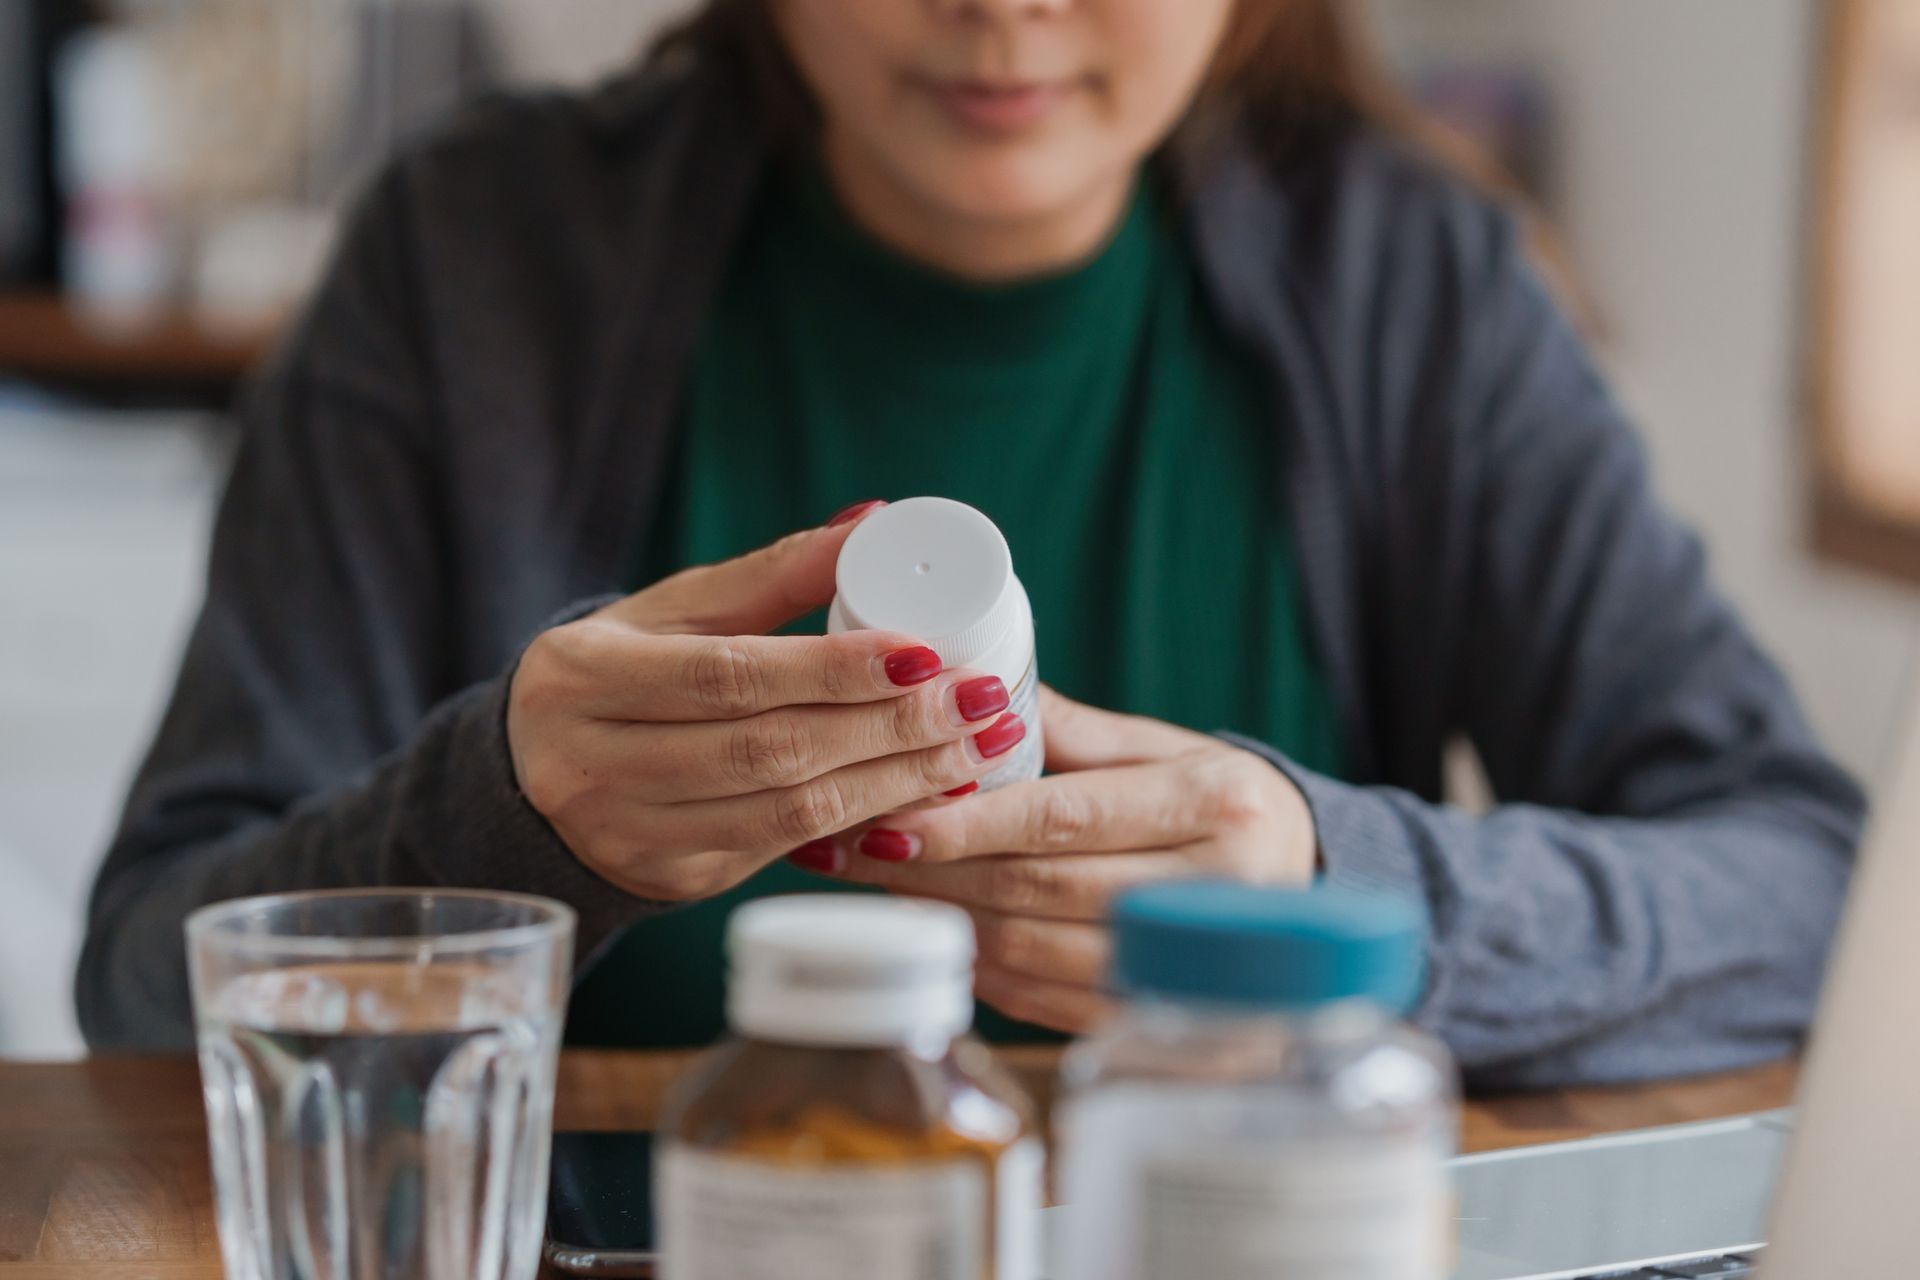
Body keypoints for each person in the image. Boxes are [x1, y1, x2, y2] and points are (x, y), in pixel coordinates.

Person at [77, 0, 1863, 1085]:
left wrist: (1350, 893)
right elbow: (155, 981)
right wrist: (507, 824)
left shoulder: (1417, 289)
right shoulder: (477, 255)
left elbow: (1805, 893)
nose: (1003, 15)